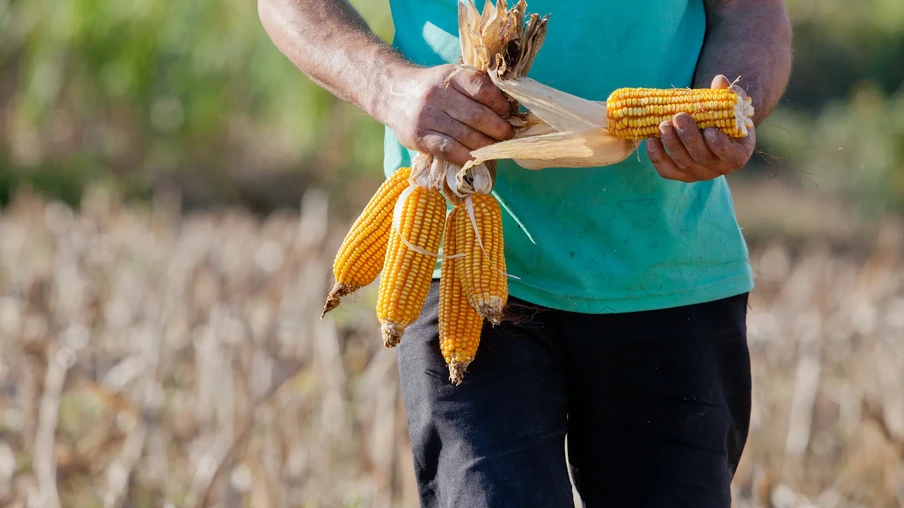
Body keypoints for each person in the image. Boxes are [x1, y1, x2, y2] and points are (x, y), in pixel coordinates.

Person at [259, 0, 792, 505]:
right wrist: (390, 88)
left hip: (671, 271)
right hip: (464, 262)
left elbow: (749, 10)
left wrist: (732, 108)